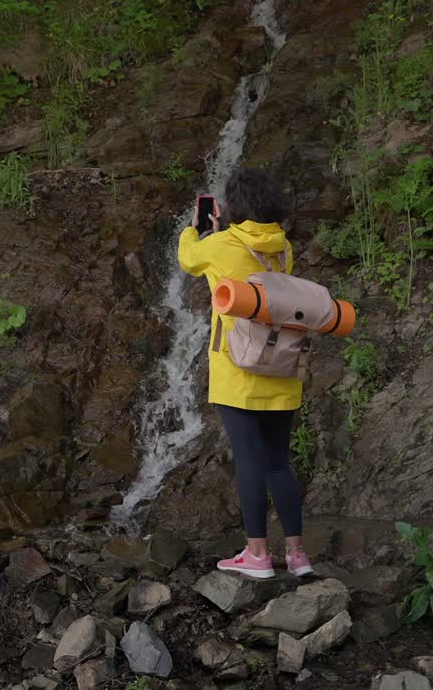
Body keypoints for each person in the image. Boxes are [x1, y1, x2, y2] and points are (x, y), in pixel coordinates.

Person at [176, 168, 313, 580]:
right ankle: (297, 555)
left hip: (238, 371)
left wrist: (193, 228)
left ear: (234, 205)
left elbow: (187, 259)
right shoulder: (283, 248)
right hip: (282, 370)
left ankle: (257, 555)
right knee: (277, 463)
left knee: (249, 463)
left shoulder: (219, 245)